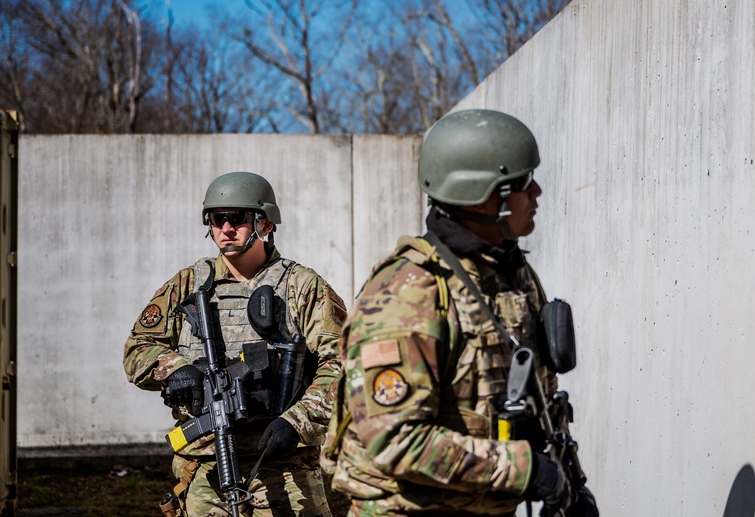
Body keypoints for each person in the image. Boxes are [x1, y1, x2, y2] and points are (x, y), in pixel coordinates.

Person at [320, 109, 597, 516]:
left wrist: (570, 485)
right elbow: (396, 440)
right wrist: (526, 471)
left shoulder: (512, 275)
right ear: (483, 194)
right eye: (522, 182)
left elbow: (541, 395)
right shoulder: (408, 292)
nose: (537, 192)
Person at [124, 171, 350, 516]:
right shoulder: (188, 284)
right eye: (217, 219)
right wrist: (174, 369)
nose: (226, 228)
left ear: (266, 224)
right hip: (204, 467)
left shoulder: (302, 286)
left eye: (238, 219)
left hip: (282, 465)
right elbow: (137, 348)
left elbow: (344, 364)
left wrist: (299, 420)